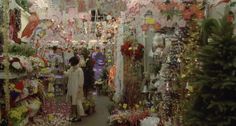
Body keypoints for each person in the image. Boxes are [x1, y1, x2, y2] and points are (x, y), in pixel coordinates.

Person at [64, 56, 86, 122]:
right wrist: (63, 72)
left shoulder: (79, 70)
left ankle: (79, 116)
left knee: (77, 102)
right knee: (72, 103)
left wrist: (79, 89)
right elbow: (67, 74)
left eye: (71, 62)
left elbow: (81, 81)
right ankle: (74, 115)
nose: (70, 64)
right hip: (71, 88)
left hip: (77, 89)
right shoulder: (71, 68)